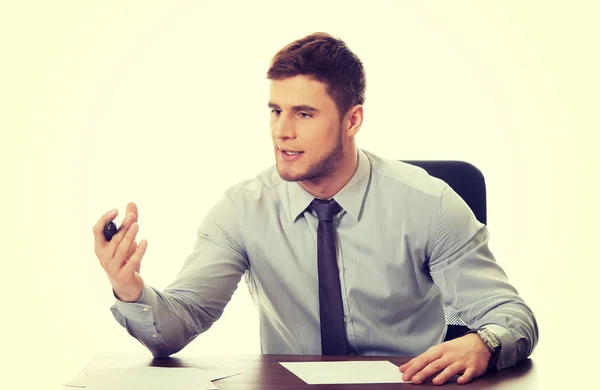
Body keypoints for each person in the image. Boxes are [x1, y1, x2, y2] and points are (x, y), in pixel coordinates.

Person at [92, 32, 538, 385]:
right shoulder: (242, 210)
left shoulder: (430, 204)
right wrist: (131, 290)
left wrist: (483, 343)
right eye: (275, 111)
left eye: (303, 114)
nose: (281, 131)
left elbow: (512, 317)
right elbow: (175, 329)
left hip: (406, 387)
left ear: (352, 120)